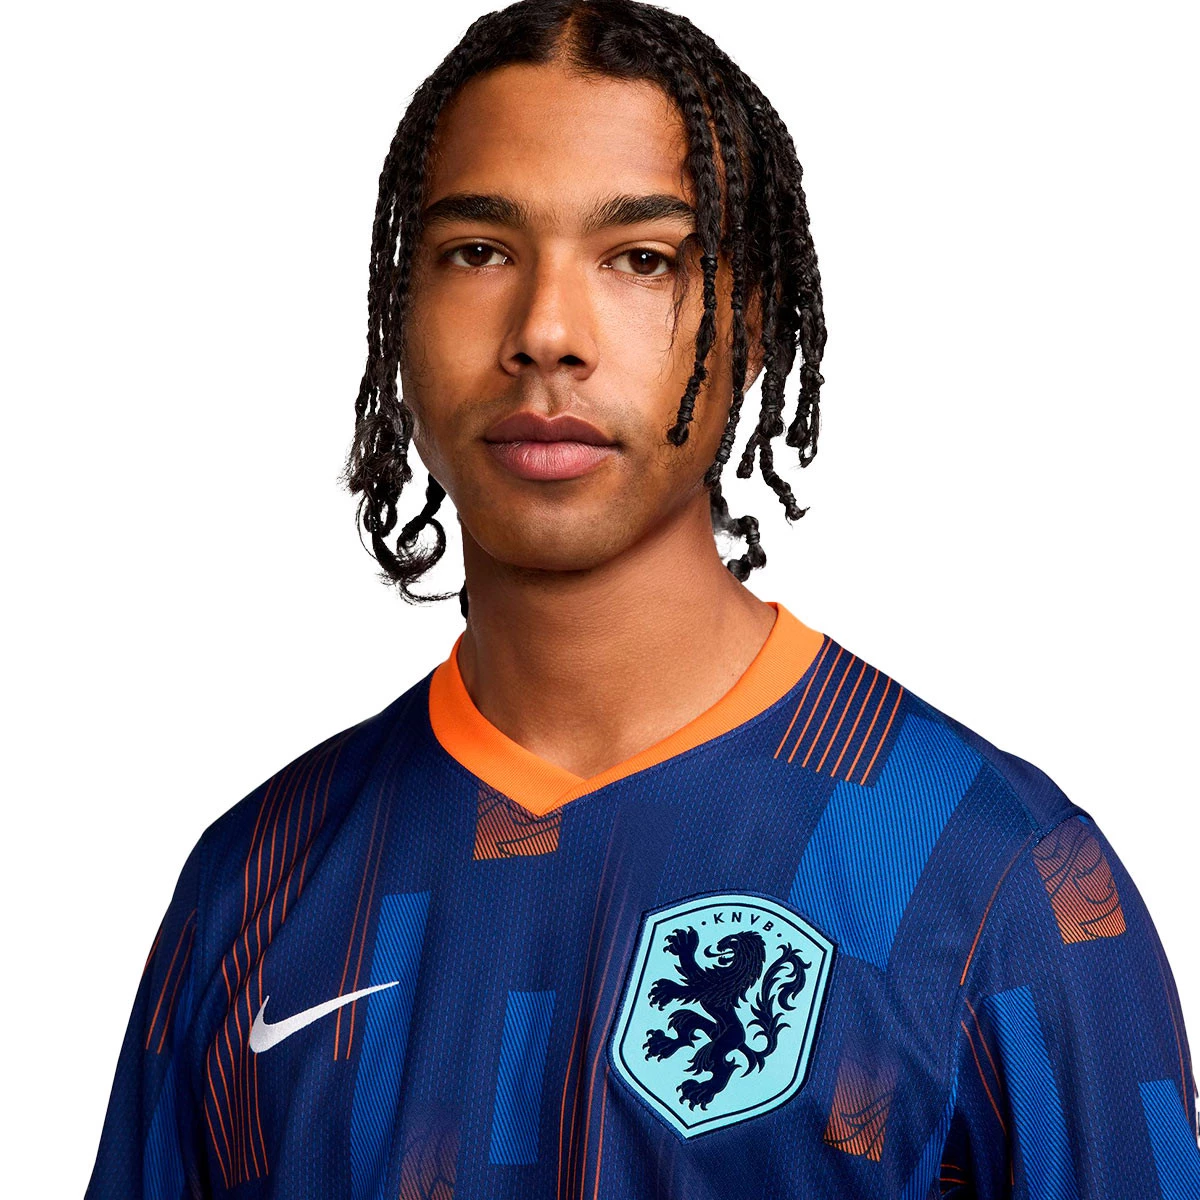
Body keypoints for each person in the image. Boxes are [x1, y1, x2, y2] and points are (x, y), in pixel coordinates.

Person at [85, 1, 1199, 1196]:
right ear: (399, 314)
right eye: (479, 252)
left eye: (641, 259)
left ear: (754, 322)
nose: (546, 333)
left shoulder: (995, 877)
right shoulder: (253, 885)